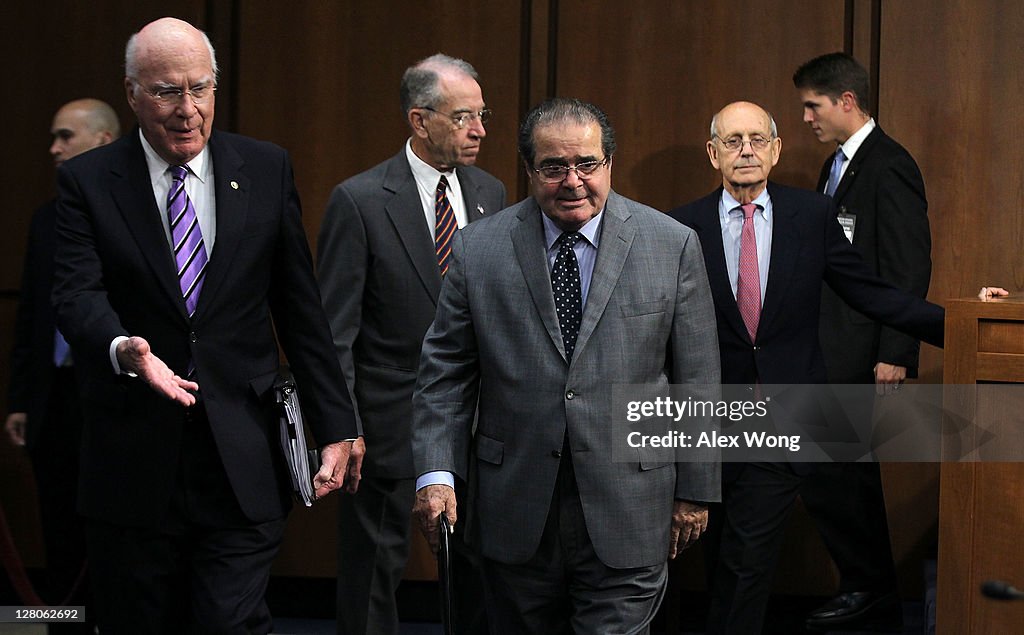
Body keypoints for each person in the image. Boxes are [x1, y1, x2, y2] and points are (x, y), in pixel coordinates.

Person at [51, 17, 361, 633]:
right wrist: (125, 349)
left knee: (230, 620)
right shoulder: (87, 183)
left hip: (241, 454)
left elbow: (300, 310)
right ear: (133, 93)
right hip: (134, 462)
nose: (187, 109)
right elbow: (75, 293)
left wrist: (337, 424)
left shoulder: (266, 168)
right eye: (167, 91)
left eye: (200, 88)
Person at [411, 97, 721, 634]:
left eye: (587, 164)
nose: (573, 180)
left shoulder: (670, 245)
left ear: (609, 164)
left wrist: (695, 491)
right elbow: (445, 376)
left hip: (631, 504)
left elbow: (697, 380)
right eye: (554, 167)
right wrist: (436, 474)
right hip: (516, 506)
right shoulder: (478, 250)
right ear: (530, 171)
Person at [668, 101, 944, 635]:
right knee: (719, 556)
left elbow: (873, 294)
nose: (745, 150)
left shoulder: (811, 217)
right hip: (705, 423)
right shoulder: (681, 226)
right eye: (732, 140)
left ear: (775, 150)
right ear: (713, 153)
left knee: (745, 561)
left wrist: (962, 325)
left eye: (756, 139)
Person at [317, 53, 505, 635]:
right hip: (385, 424)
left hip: (478, 425)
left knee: (480, 575)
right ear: (419, 121)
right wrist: (342, 427)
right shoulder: (361, 200)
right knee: (373, 576)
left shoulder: (492, 194)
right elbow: (335, 333)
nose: (479, 130)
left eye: (482, 115)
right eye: (463, 118)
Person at [790, 51, 932, 631]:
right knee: (836, 474)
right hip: (828, 350)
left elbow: (907, 265)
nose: (805, 118)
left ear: (846, 101)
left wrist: (896, 351)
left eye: (812, 105)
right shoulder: (837, 164)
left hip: (859, 353)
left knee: (841, 477)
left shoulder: (888, 165)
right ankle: (866, 586)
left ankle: (868, 588)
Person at [5, 98, 120, 632]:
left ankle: (105, 621)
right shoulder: (46, 219)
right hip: (53, 393)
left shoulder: (133, 213)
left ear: (101, 140)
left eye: (64, 136)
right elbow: (32, 314)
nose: (52, 148)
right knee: (56, 525)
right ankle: (59, 625)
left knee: (112, 529)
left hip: (114, 395)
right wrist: (20, 400)